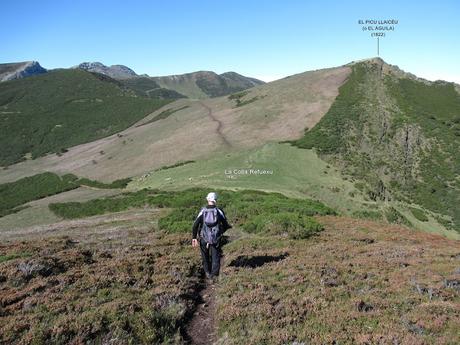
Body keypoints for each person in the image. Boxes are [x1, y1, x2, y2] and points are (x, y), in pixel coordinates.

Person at [192, 192, 231, 281]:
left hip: (203, 237)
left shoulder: (203, 211)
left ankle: (207, 273)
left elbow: (195, 225)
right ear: (216, 200)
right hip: (216, 238)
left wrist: (194, 238)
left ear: (207, 199)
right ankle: (214, 276)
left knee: (204, 256)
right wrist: (220, 233)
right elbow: (225, 225)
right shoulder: (219, 211)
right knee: (216, 256)